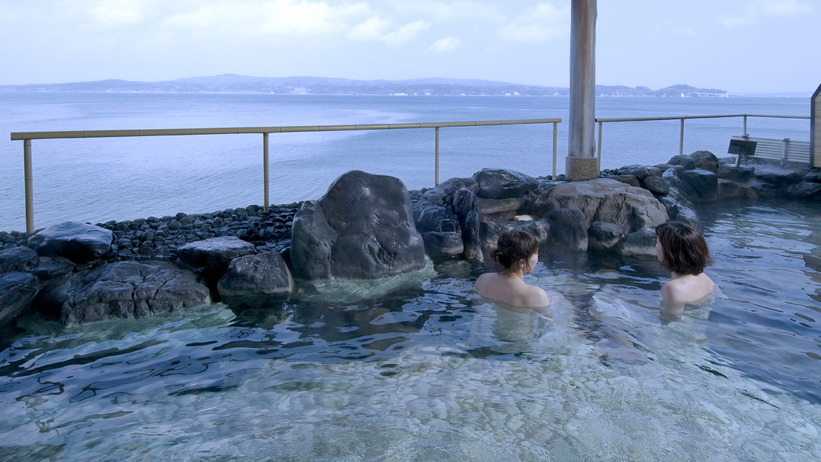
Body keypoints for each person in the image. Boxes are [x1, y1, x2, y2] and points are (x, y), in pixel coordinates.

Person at [474, 229, 551, 309]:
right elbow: (547, 320)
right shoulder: (537, 295)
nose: (538, 255)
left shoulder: (482, 280)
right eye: (536, 252)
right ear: (522, 263)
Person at [655, 221, 716, 304]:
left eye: (657, 243)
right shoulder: (704, 278)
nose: (656, 246)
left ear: (670, 251)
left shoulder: (673, 288)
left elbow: (669, 317)